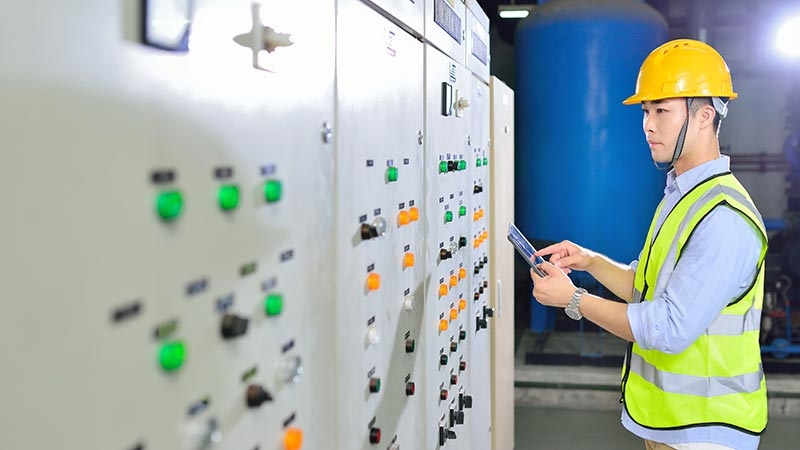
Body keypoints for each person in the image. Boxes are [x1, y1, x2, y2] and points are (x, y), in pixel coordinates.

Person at [530, 38, 768, 450]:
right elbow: (647, 287)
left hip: (706, 431)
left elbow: (669, 327)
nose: (648, 124)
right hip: (671, 425)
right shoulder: (684, 195)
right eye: (645, 111)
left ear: (704, 116)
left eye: (662, 111)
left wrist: (574, 300)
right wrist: (591, 262)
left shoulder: (723, 218)